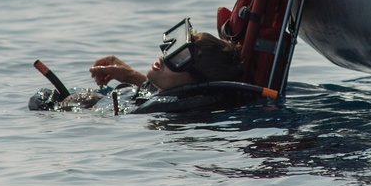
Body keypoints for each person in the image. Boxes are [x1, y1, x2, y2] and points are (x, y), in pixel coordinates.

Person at [55, 29, 244, 112]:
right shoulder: (178, 93)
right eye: (173, 48)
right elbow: (161, 90)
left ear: (195, 83)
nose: (164, 57)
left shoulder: (166, 111)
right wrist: (129, 75)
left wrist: (85, 106)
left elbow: (132, 108)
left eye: (179, 59)